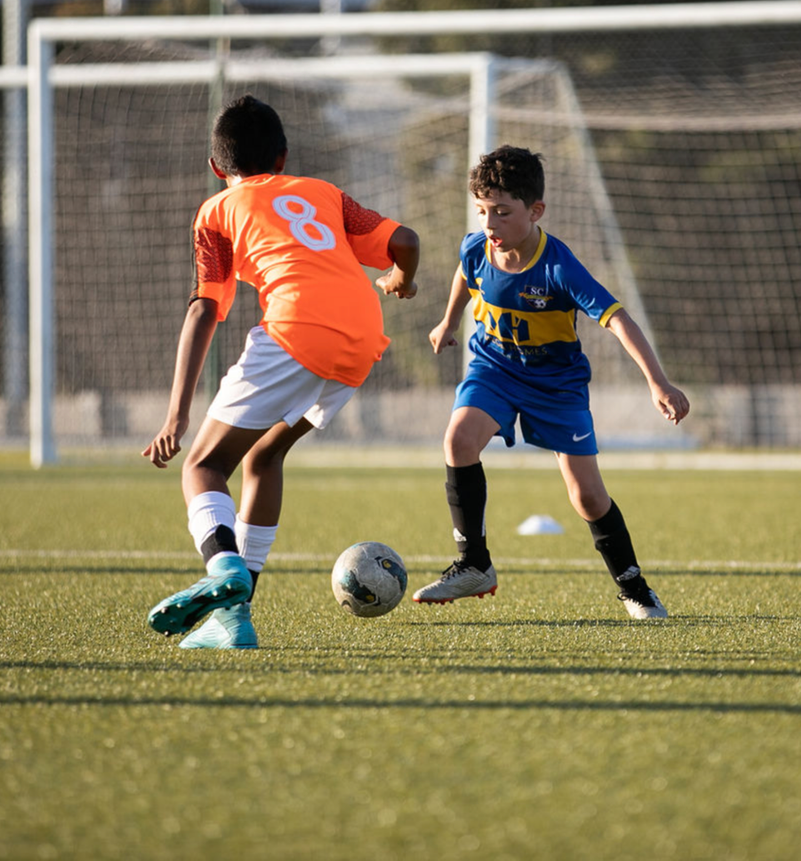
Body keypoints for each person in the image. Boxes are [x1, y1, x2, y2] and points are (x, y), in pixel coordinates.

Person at [141, 95, 420, 648]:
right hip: (362, 339)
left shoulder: (216, 212)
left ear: (217, 167)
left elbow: (204, 309)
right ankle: (233, 623)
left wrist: (176, 415)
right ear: (284, 157)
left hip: (297, 330)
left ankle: (225, 573)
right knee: (265, 455)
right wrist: (401, 280)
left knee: (202, 466)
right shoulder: (323, 193)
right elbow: (405, 241)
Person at [414, 145, 690, 619]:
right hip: (494, 367)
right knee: (458, 440)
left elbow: (618, 318)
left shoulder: (559, 266)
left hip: (555, 385)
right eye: (482, 211)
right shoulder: (477, 246)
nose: (490, 224)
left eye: (502, 212)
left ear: (535, 210)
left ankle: (634, 586)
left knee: (586, 495)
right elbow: (465, 274)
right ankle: (474, 564)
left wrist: (658, 382)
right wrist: (448, 322)